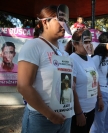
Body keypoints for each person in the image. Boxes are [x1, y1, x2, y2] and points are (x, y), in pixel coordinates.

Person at [17, 5, 74, 133]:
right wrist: (51, 115)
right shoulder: (33, 46)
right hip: (41, 118)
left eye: (66, 21)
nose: (64, 25)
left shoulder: (63, 52)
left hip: (65, 116)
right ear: (45, 22)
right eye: (60, 20)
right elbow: (23, 86)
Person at [65, 29, 103, 133]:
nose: (89, 44)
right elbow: (71, 90)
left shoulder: (90, 58)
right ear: (75, 44)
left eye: (90, 41)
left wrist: (100, 98)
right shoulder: (72, 60)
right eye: (85, 42)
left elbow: (95, 79)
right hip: (80, 112)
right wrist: (78, 113)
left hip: (91, 108)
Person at [90, 32, 108, 133]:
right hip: (102, 94)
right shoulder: (96, 58)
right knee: (99, 125)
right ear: (104, 43)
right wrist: (99, 97)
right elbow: (93, 78)